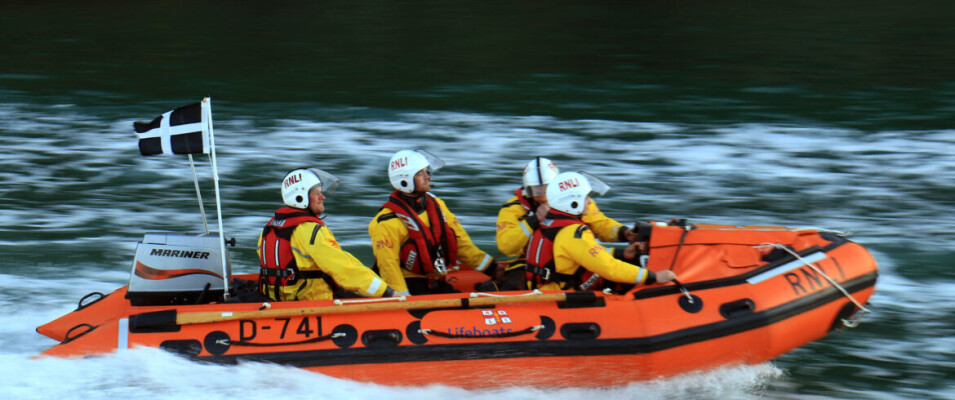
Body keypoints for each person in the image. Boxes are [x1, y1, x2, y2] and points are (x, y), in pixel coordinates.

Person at [492, 157, 639, 290]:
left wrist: (623, 232)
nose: (543, 196)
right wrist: (534, 219)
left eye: (548, 188)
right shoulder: (513, 210)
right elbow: (506, 246)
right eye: (538, 191)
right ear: (528, 190)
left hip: (574, 258)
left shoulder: (575, 199)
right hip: (535, 266)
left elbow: (599, 223)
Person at [257, 168, 397, 301]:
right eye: (316, 193)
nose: (322, 197)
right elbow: (343, 269)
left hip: (276, 300)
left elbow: (342, 260)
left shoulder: (269, 228)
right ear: (300, 196)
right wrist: (386, 292)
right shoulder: (312, 231)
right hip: (312, 305)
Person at [368, 149, 495, 295]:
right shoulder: (385, 222)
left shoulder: (438, 206)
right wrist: (404, 299)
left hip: (437, 281)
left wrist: (492, 268)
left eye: (426, 172)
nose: (427, 177)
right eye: (420, 174)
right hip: (412, 286)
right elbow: (389, 268)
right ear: (405, 180)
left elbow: (461, 244)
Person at [523, 171, 676, 291]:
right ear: (573, 202)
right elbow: (609, 268)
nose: (590, 202)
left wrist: (621, 253)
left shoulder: (550, 222)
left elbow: (585, 253)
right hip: (559, 295)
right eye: (586, 197)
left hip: (544, 288)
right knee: (620, 282)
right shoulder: (573, 233)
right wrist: (652, 276)